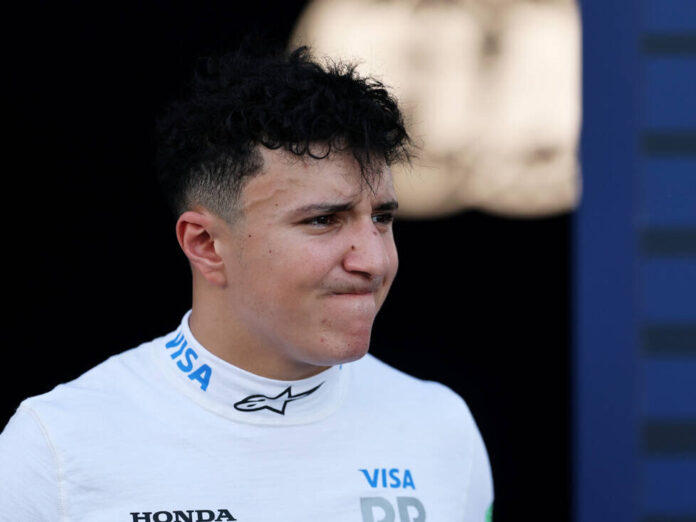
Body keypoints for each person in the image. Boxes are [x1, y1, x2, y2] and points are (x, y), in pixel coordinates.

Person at [0, 45, 493, 522]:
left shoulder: (441, 428)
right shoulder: (55, 448)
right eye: (323, 220)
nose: (375, 260)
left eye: (381, 218)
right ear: (205, 245)